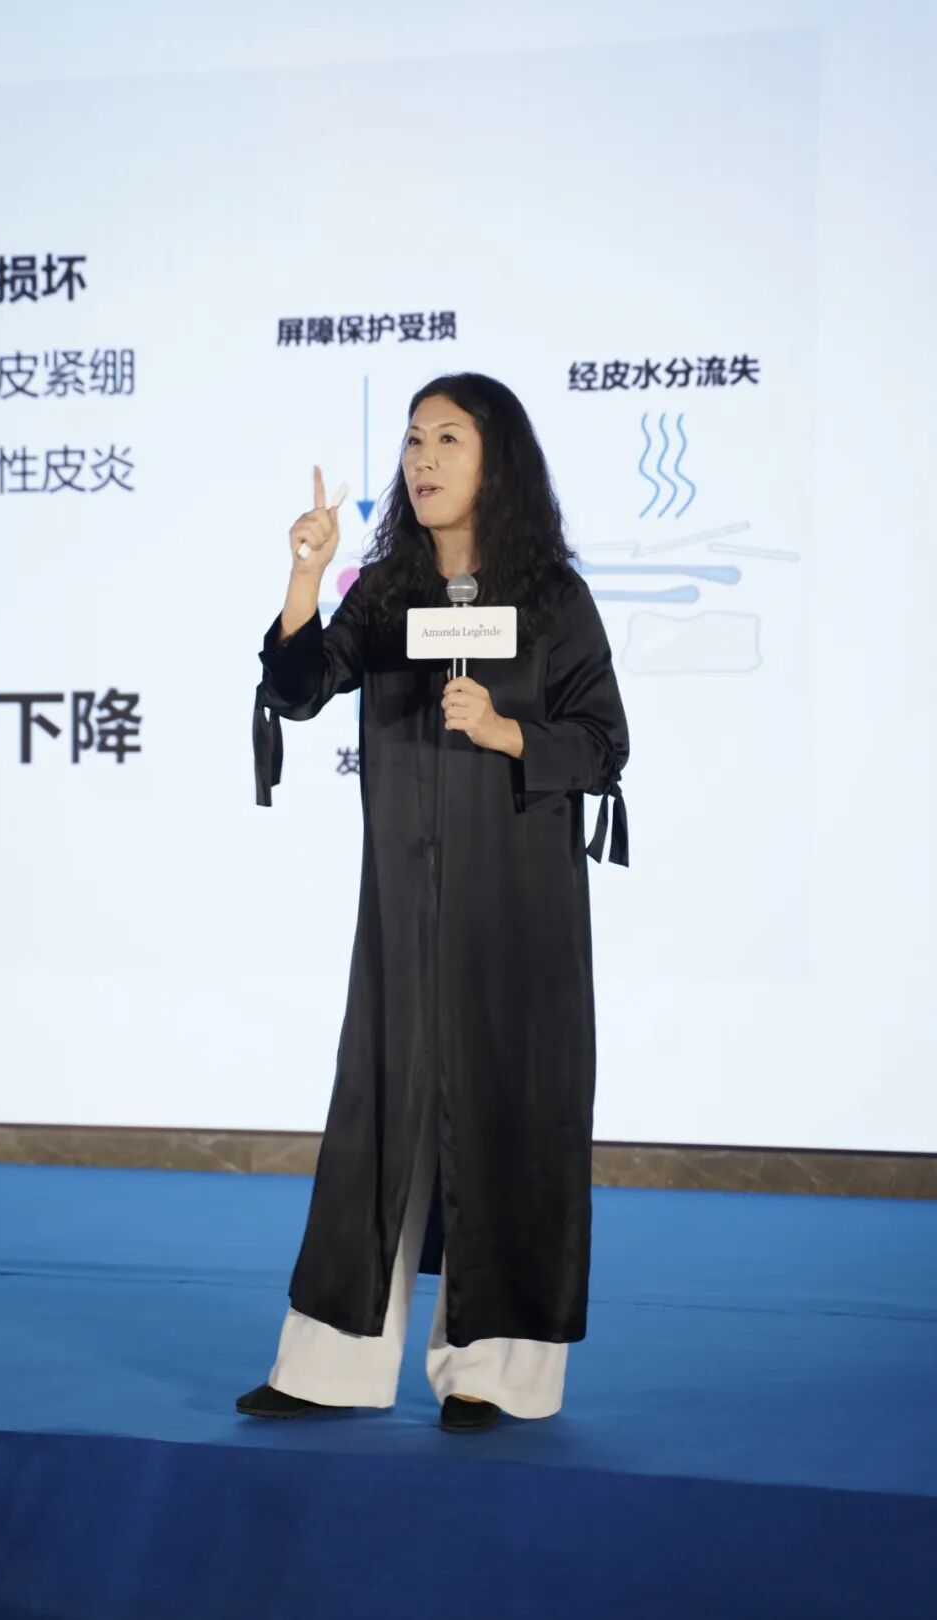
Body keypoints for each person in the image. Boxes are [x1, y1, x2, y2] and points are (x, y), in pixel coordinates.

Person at [243, 372, 630, 1433]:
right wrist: (306, 574)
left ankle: (493, 1376)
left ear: (498, 461)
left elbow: (604, 744)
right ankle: (329, 1368)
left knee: (511, 1113)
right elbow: (299, 688)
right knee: (379, 1110)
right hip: (404, 906)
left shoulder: (552, 598)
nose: (423, 459)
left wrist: (507, 732)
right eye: (414, 439)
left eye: (449, 439)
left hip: (519, 911)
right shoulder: (387, 591)